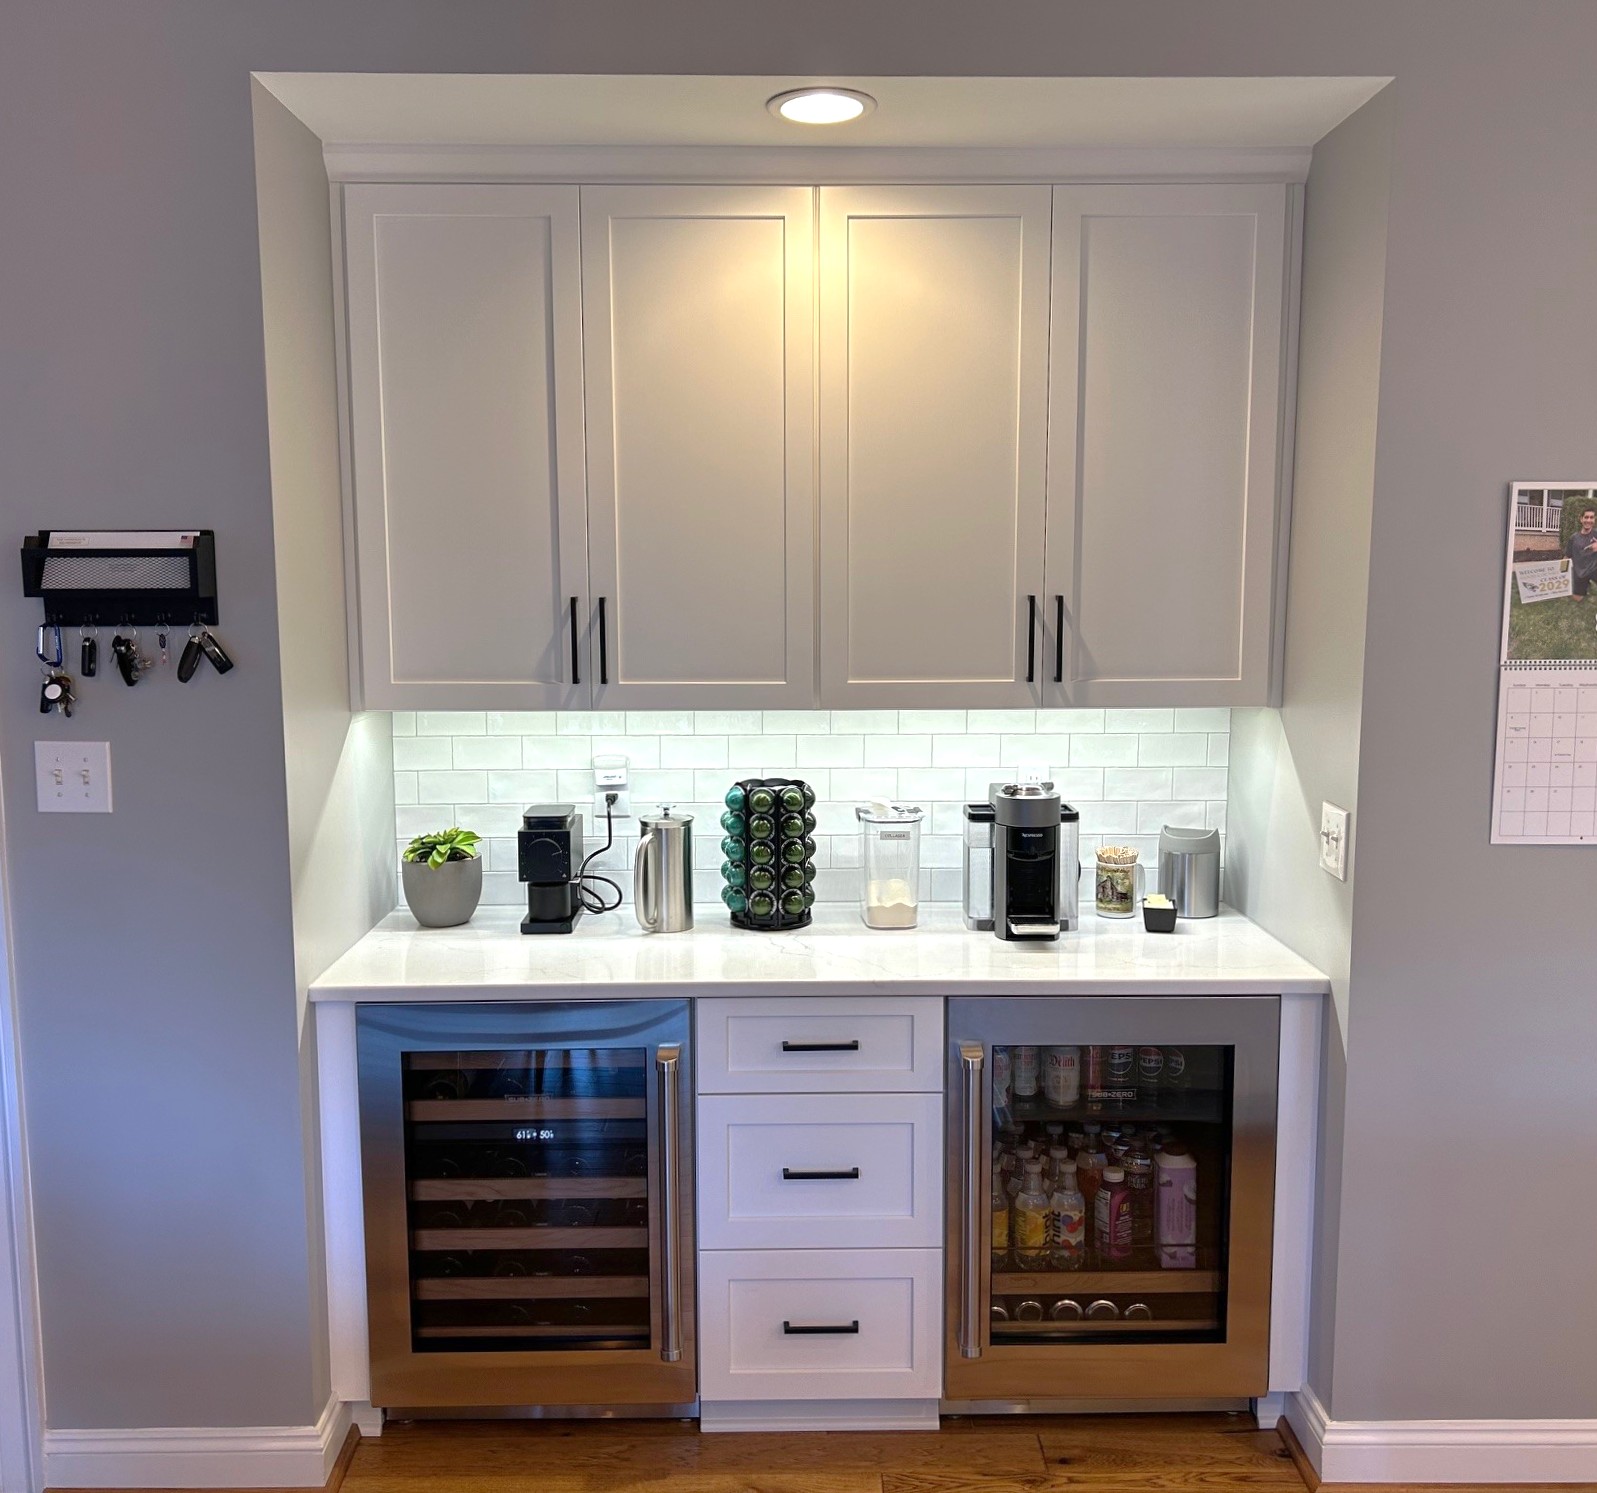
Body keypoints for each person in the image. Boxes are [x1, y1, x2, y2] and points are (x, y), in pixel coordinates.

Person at [1569, 507, 1597, 598]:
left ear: (1594, 519)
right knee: (1577, 599)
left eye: (1591, 517)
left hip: (1594, 569)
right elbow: (1567, 555)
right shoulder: (1574, 538)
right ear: (1581, 519)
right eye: (1586, 517)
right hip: (1580, 572)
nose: (1589, 520)